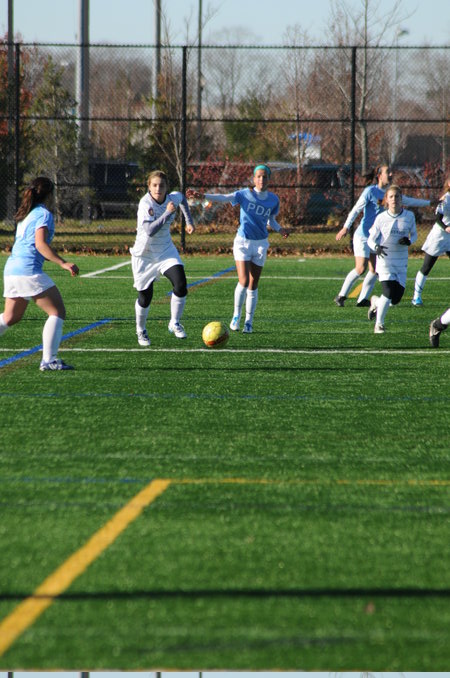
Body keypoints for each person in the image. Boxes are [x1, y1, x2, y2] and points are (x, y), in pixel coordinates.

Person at [187, 164, 289, 334]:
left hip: (260, 244)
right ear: (253, 178)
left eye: (264, 176)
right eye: (258, 176)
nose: (261, 179)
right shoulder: (244, 194)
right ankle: (236, 315)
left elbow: (271, 219)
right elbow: (224, 197)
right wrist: (203, 196)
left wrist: (280, 229)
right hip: (242, 242)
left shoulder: (273, 199)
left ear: (269, 179)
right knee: (244, 280)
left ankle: (249, 321)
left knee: (253, 284)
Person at [0, 176, 79, 371]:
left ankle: (49, 360)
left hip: (12, 270)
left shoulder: (27, 213)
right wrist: (63, 263)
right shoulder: (43, 214)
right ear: (50, 195)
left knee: (10, 317)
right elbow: (40, 244)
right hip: (27, 271)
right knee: (57, 311)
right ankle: (49, 360)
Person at [335, 164, 430, 307]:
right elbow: (356, 210)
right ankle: (341, 296)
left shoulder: (392, 194)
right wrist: (345, 227)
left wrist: (430, 202)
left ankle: (362, 300)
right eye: (387, 172)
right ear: (379, 176)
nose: (391, 174)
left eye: (391, 172)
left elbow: (410, 201)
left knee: (375, 270)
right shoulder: (370, 191)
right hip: (363, 236)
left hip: (377, 239)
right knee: (361, 268)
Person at [130, 170, 195, 346]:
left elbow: (182, 199)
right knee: (145, 297)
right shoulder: (145, 203)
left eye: (162, 185)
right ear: (149, 187)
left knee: (180, 284)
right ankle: (141, 330)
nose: (158, 189)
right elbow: (150, 230)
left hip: (166, 250)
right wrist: (167, 213)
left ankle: (174, 322)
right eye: (155, 185)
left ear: (167, 187)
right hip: (144, 254)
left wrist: (189, 222)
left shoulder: (172, 198)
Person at [366, 184, 417, 333]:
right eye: (391, 196)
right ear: (386, 200)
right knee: (388, 292)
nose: (394, 199)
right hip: (385, 260)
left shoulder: (409, 216)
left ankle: (376, 302)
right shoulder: (381, 218)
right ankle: (379, 325)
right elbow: (370, 239)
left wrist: (409, 241)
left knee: (395, 299)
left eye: (397, 196)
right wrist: (376, 247)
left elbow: (414, 235)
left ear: (401, 199)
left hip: (401, 262)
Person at [412, 175, 450, 306]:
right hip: (439, 236)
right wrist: (446, 228)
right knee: (427, 266)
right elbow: (438, 219)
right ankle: (416, 296)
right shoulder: (446, 198)